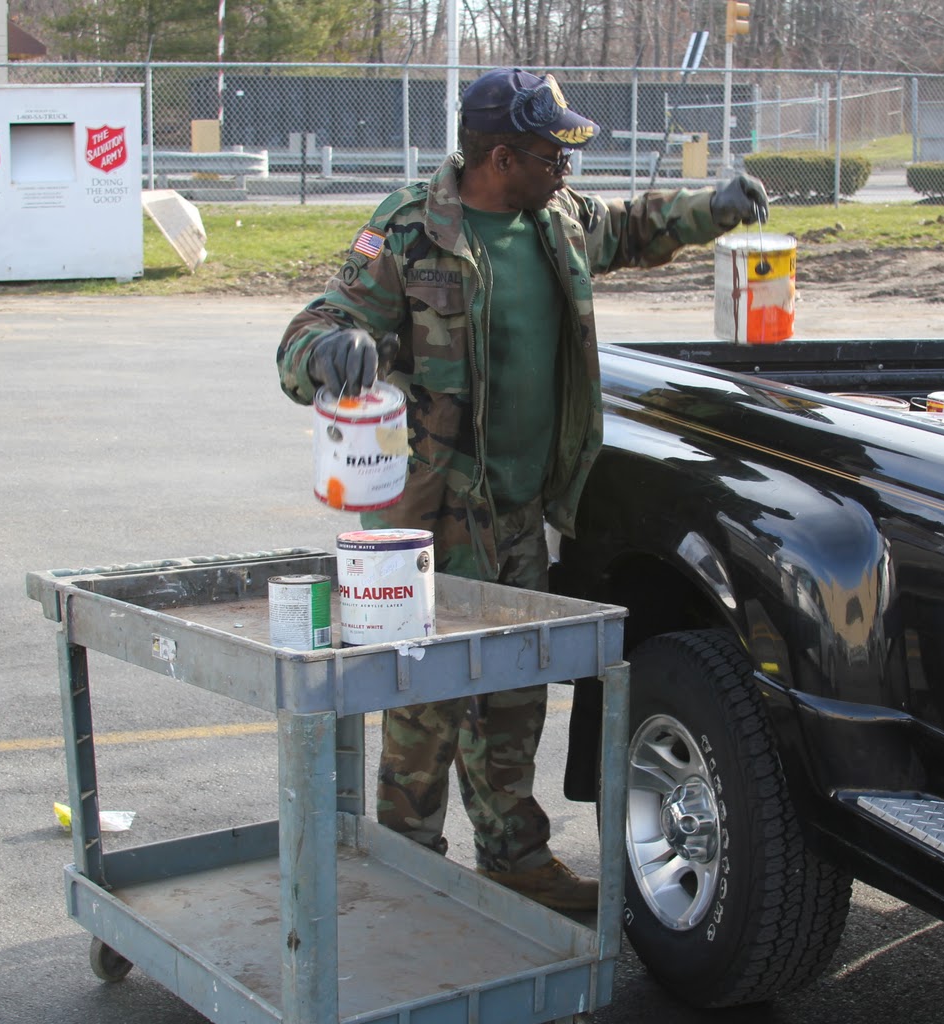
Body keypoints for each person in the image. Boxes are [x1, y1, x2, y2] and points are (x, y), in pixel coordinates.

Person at [275, 67, 768, 910]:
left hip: (522, 517)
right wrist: (330, 355)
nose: (567, 167)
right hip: (428, 523)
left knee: (513, 694)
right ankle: (404, 867)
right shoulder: (410, 231)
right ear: (500, 156)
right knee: (420, 706)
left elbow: (630, 228)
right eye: (551, 152)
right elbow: (313, 329)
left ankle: (513, 856)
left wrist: (713, 207)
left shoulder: (558, 219)